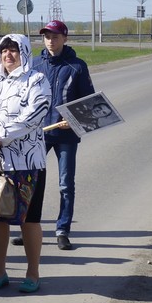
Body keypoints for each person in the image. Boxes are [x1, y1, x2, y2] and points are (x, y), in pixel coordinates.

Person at [0, 34, 51, 295]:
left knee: (29, 220)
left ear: (24, 52)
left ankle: (33, 273)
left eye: (14, 50)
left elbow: (36, 115)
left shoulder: (36, 80)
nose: (8, 55)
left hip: (26, 162)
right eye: (4, 50)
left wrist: (0, 136)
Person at [31, 20, 94, 251]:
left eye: (55, 36)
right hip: (38, 135)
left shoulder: (77, 66)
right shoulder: (34, 64)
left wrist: (74, 119)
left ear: (65, 38)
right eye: (47, 36)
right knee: (31, 183)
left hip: (66, 136)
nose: (50, 40)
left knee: (65, 184)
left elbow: (88, 104)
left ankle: (62, 230)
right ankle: (30, 228)